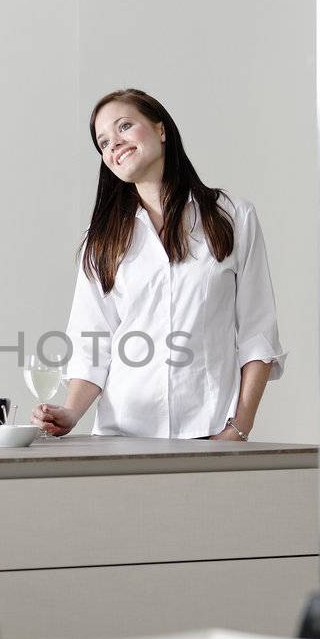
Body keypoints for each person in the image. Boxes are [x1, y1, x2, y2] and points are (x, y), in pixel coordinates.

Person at [32, 89, 285, 440]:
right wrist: (69, 412)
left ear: (161, 130)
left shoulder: (233, 218)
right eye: (103, 142)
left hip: (209, 436)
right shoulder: (103, 239)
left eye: (124, 126)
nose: (114, 144)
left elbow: (258, 334)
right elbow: (93, 342)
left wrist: (239, 427)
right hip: (120, 440)